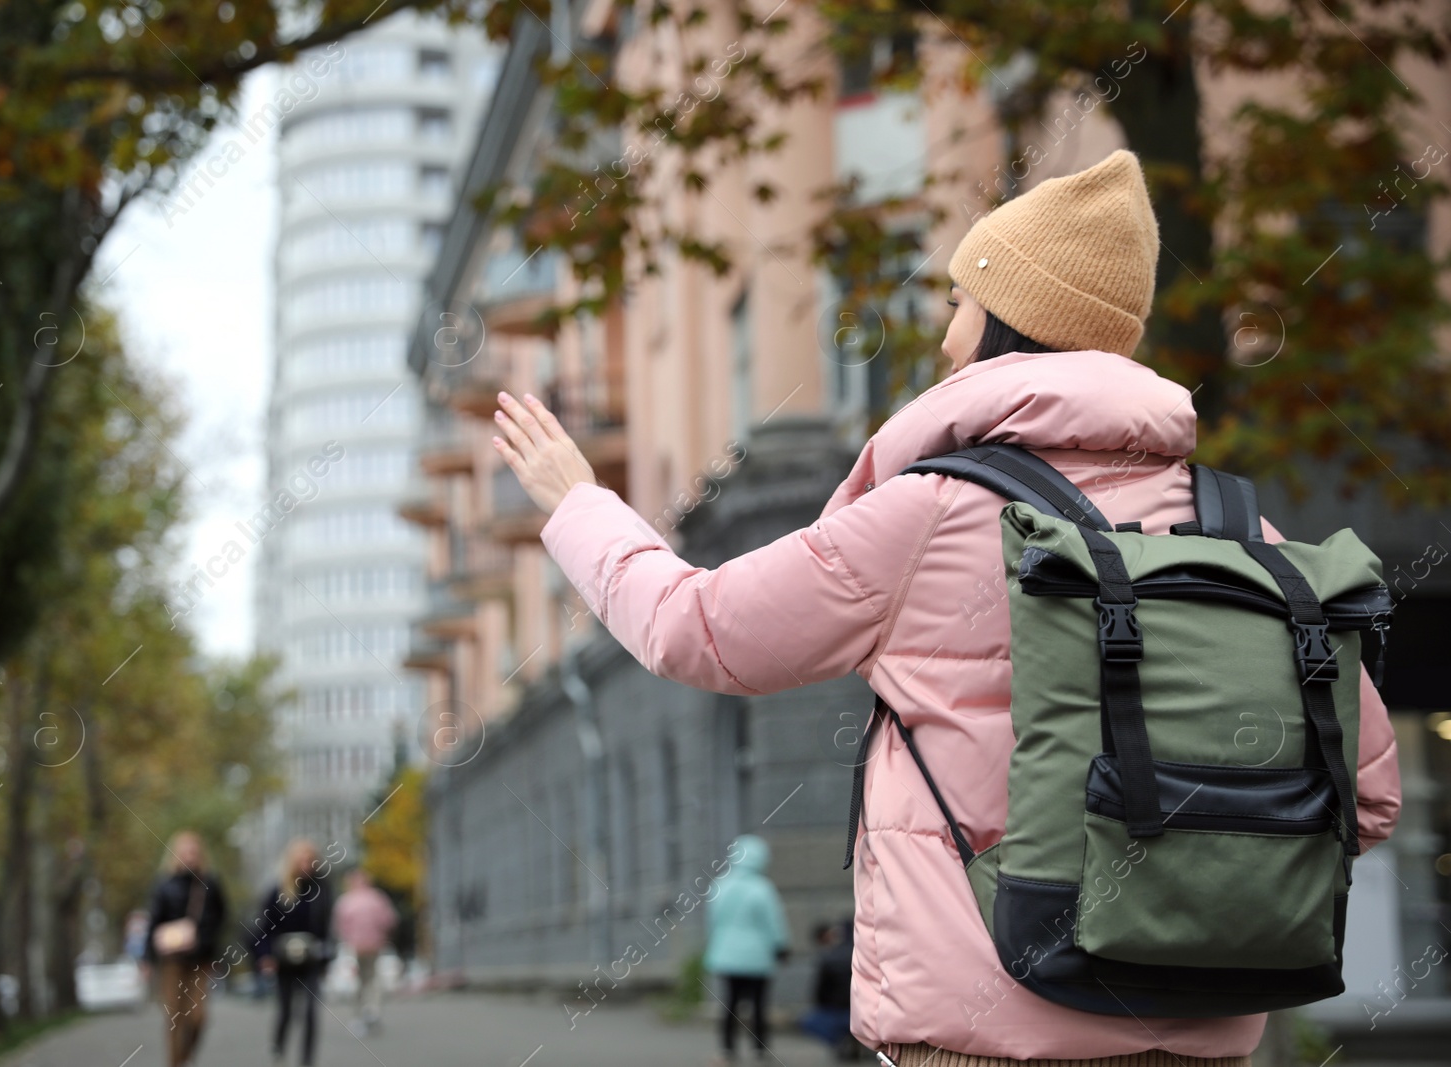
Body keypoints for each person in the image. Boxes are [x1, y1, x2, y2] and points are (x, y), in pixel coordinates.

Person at [491, 149, 1402, 1066]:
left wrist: (579, 503)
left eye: (962, 304)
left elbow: (698, 630)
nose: (945, 340)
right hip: (1206, 1038)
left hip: (982, 1034)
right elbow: (1366, 793)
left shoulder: (933, 512)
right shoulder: (1246, 533)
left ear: (1011, 320)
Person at [703, 834, 789, 1064]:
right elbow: (773, 922)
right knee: (759, 1003)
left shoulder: (719, 885)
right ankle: (759, 1048)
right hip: (758, 956)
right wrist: (781, 945)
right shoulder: (762, 888)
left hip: (726, 954)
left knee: (729, 1003)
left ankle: (727, 1049)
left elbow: (712, 920)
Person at [144, 830, 227, 1067]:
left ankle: (185, 1057)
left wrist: (209, 945)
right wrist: (147, 959)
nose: (189, 856)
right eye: (185, 851)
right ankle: (174, 1063)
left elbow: (222, 918)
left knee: (198, 1017)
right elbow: (153, 922)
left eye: (194, 851)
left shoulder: (210, 883)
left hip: (200, 959)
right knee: (174, 1017)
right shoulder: (164, 885)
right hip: (171, 960)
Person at [249, 838, 334, 1067]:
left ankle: (307, 1061)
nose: (307, 864)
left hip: (311, 958)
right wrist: (264, 955)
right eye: (302, 859)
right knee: (286, 1010)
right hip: (284, 960)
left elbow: (326, 929)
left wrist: (327, 959)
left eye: (310, 859)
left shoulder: (322, 890)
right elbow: (264, 928)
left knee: (310, 1013)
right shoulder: (278, 891)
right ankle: (279, 1048)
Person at [333, 869, 398, 1035]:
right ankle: (372, 1011)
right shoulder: (377, 898)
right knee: (372, 979)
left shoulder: (345, 901)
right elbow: (389, 920)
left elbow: (339, 926)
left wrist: (348, 939)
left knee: (358, 980)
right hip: (374, 945)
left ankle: (360, 1013)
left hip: (355, 946)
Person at [799, 919, 858, 1061]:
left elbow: (820, 991)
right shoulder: (864, 955)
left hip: (836, 1011)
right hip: (863, 1012)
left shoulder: (828, 958)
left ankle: (839, 1041)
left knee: (806, 1021)